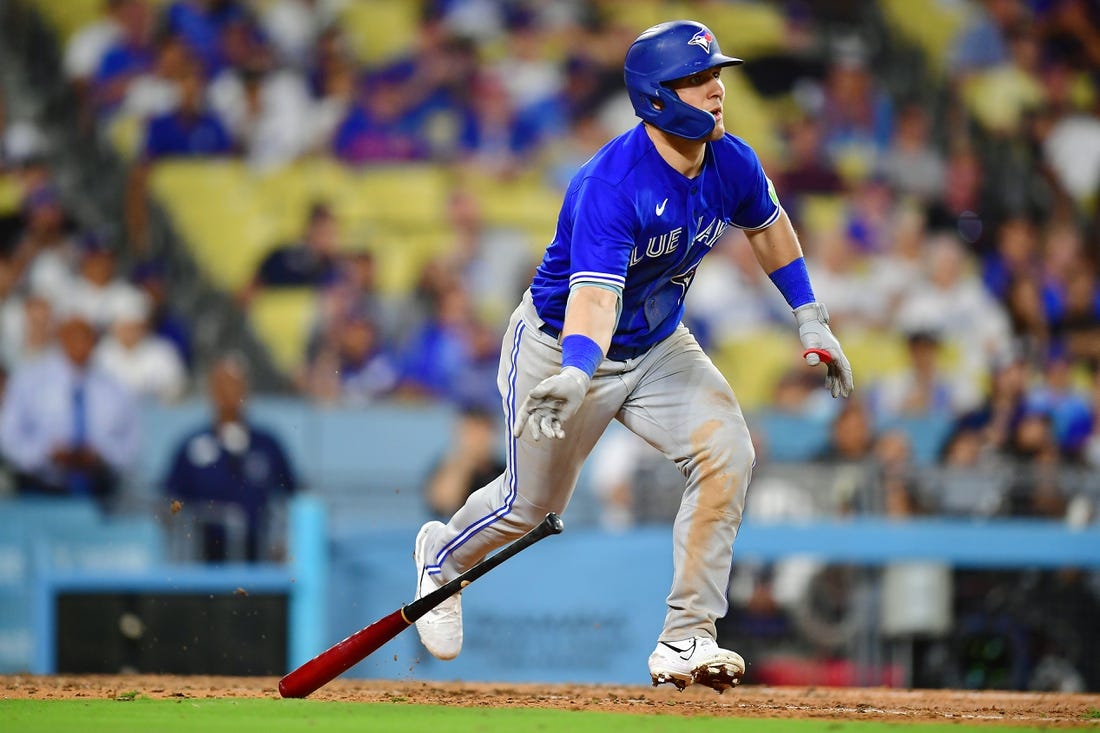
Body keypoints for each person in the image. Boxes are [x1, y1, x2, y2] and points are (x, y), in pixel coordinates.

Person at [410, 20, 853, 693]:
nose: (715, 90)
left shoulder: (729, 157)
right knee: (531, 506)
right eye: (697, 79)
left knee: (728, 450)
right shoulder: (610, 184)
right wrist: (577, 372)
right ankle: (441, 560)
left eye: (716, 75)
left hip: (657, 346)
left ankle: (687, 635)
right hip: (563, 348)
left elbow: (768, 224)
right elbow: (593, 302)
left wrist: (811, 316)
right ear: (655, 97)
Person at [163, 355, 296, 562]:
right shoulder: (191, 446)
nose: (229, 394)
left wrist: (284, 541)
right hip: (204, 560)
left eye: (235, 386)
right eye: (222, 386)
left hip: (257, 558)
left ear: (246, 391)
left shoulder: (267, 445)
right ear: (212, 391)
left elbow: (293, 497)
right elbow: (171, 502)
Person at [0, 311, 139, 501]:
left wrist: (102, 455)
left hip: (98, 491)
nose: (80, 345)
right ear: (61, 340)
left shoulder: (114, 388)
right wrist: (45, 454)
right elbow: (8, 437)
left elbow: (131, 444)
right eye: (73, 338)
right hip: (39, 490)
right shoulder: (29, 382)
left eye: (86, 338)